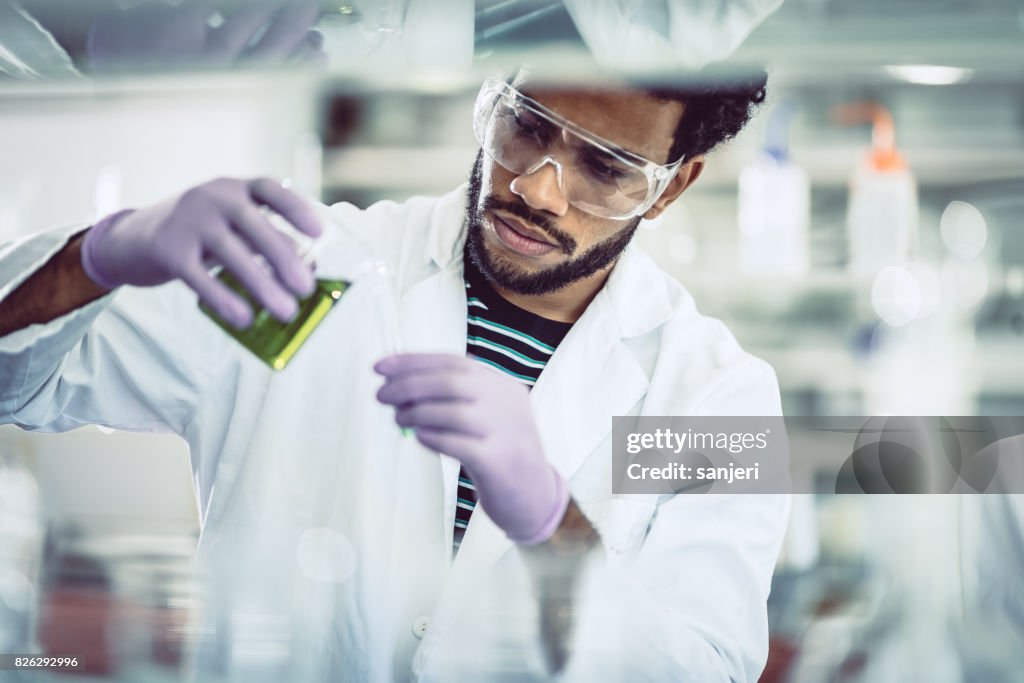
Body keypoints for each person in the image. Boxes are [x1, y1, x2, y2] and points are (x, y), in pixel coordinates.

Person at [0, 70, 788, 681]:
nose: (538, 189)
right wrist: (94, 258)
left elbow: (706, 669)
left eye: (607, 168)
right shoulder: (309, 276)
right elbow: (18, 381)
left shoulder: (716, 396)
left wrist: (554, 525)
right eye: (527, 125)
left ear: (673, 186)